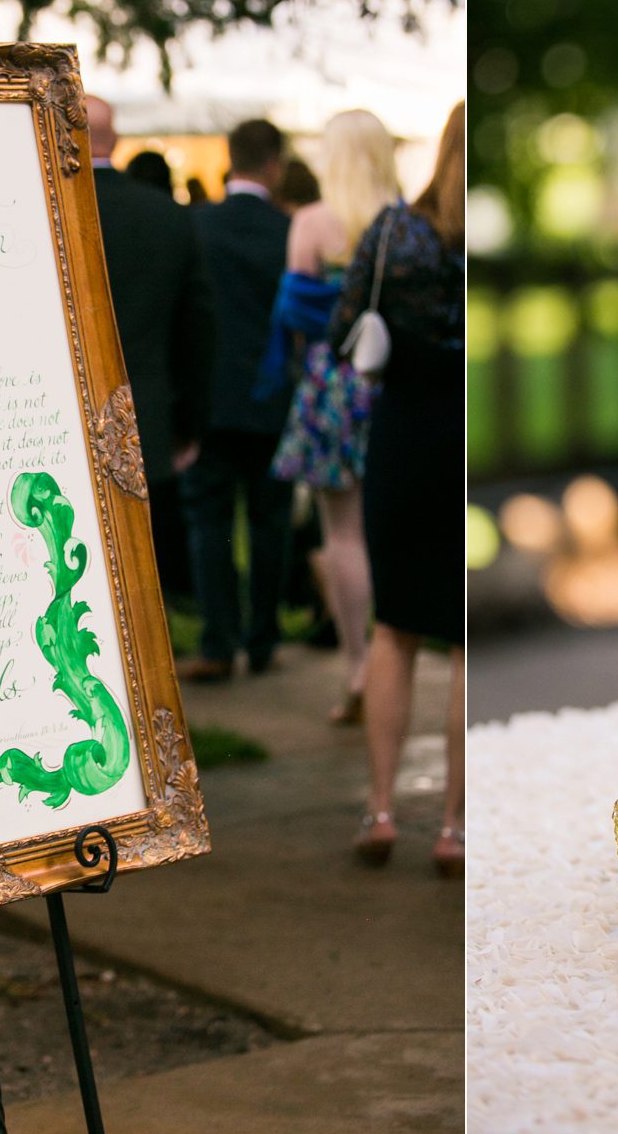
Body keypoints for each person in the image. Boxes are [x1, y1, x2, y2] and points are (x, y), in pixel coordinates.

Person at [328, 102, 465, 878]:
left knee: (395, 629)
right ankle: (452, 827)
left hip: (405, 435)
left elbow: (347, 327)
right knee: (462, 642)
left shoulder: (392, 232)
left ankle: (381, 811)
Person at [263, 111, 398, 724]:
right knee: (382, 530)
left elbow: (294, 316)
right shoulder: (406, 223)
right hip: (391, 384)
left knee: (340, 534)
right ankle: (393, 659)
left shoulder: (313, 223)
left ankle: (358, 666)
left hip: (330, 384)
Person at [85, 97, 214, 598]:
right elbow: (197, 326)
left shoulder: (33, 205)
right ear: (114, 141)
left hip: (57, 414)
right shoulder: (164, 214)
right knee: (140, 568)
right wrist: (189, 422)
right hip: (147, 411)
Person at [180, 118, 295, 681]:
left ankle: (219, 642)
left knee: (210, 522)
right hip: (274, 398)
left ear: (230, 159)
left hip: (211, 399)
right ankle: (265, 639)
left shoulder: (197, 224)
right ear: (274, 165)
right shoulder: (289, 231)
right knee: (271, 522)